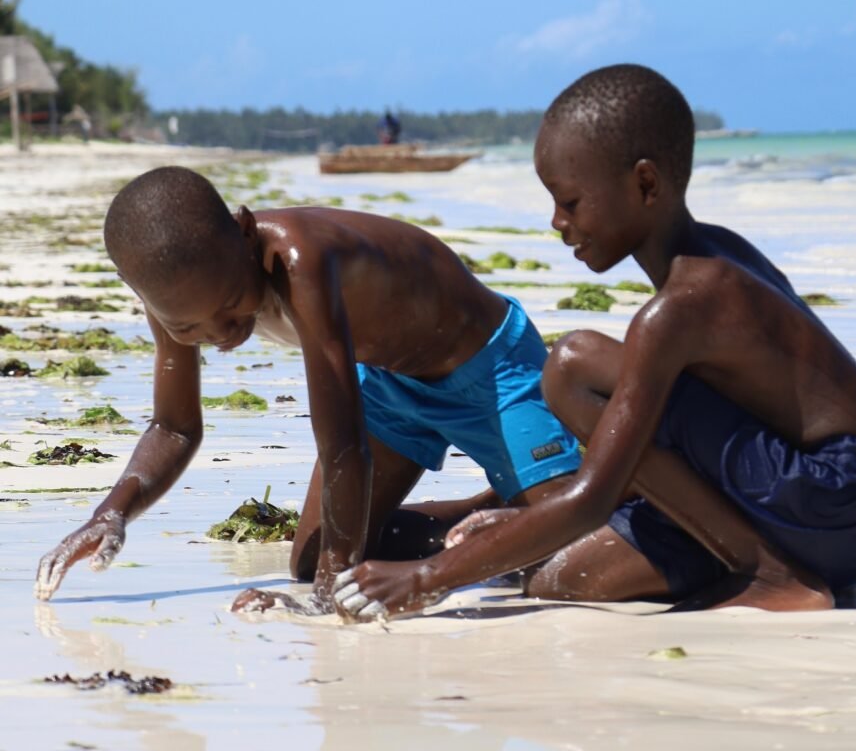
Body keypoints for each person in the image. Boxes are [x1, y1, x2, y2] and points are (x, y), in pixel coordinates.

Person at [330, 64, 856, 620]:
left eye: (571, 202)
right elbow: (687, 434)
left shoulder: (682, 305)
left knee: (572, 365)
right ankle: (733, 555)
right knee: (562, 580)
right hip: (851, 509)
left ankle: (770, 575)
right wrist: (516, 523)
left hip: (833, 496)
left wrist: (425, 579)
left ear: (645, 184)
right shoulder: (715, 253)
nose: (557, 222)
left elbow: (593, 495)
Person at [33, 166, 581, 612]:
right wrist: (112, 513)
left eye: (229, 304)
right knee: (311, 557)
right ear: (151, 303)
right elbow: (175, 427)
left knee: (563, 550)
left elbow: (343, 446)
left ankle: (530, 504)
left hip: (486, 366)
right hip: (389, 384)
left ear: (246, 233)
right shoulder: (176, 301)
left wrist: (327, 598)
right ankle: (489, 510)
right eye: (189, 328)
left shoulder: (301, 261)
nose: (219, 334)